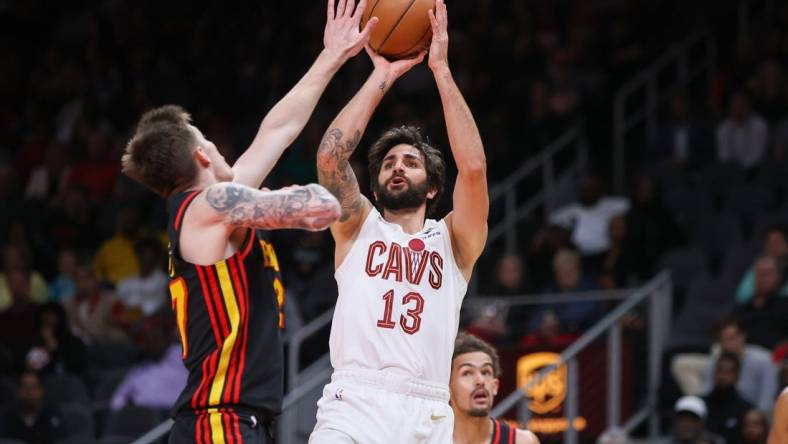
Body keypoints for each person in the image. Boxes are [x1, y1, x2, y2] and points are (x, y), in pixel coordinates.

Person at [119, 0, 374, 439]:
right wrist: (287, 197)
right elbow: (321, 208)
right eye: (211, 142)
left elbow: (277, 130)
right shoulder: (213, 204)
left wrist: (333, 56)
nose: (220, 148)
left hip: (231, 421)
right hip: (221, 423)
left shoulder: (207, 210)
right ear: (202, 154)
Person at [310, 1, 488, 441]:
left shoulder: (454, 241)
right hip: (353, 402)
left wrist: (441, 71)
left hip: (425, 411)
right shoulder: (357, 227)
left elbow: (475, 170)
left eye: (410, 162)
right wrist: (381, 77)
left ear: (432, 189)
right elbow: (331, 158)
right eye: (389, 163)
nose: (397, 167)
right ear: (375, 188)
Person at [449, 333, 539, 444]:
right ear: (448, 387)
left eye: (485, 372)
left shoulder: (522, 441)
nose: (480, 381)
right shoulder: (430, 439)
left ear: (495, 386)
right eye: (467, 373)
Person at [702, 353, 753, 444]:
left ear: (737, 376)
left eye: (728, 372)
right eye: (720, 370)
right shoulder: (701, 404)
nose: (722, 376)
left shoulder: (746, 409)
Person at [0, 371, 63, 442]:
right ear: (19, 391)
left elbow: (61, 439)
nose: (30, 392)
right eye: (26, 387)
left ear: (41, 390)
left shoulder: (52, 413)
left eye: (34, 387)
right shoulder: (9, 415)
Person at [658, 396, 724, 444]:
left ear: (702, 423)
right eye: (681, 419)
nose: (686, 424)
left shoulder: (715, 442)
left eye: (692, 420)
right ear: (674, 421)